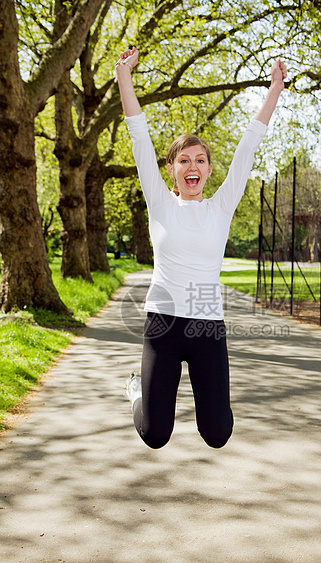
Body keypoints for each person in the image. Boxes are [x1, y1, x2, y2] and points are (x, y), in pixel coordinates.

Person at [116, 47, 287, 449]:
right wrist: (125, 76)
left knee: (217, 433)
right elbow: (139, 135)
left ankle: (210, 407)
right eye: (183, 161)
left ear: (209, 170)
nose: (192, 166)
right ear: (172, 170)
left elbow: (247, 149)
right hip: (163, 325)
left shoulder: (221, 207)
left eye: (200, 160)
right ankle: (138, 391)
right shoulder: (159, 201)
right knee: (156, 434)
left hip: (207, 327)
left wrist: (274, 91)